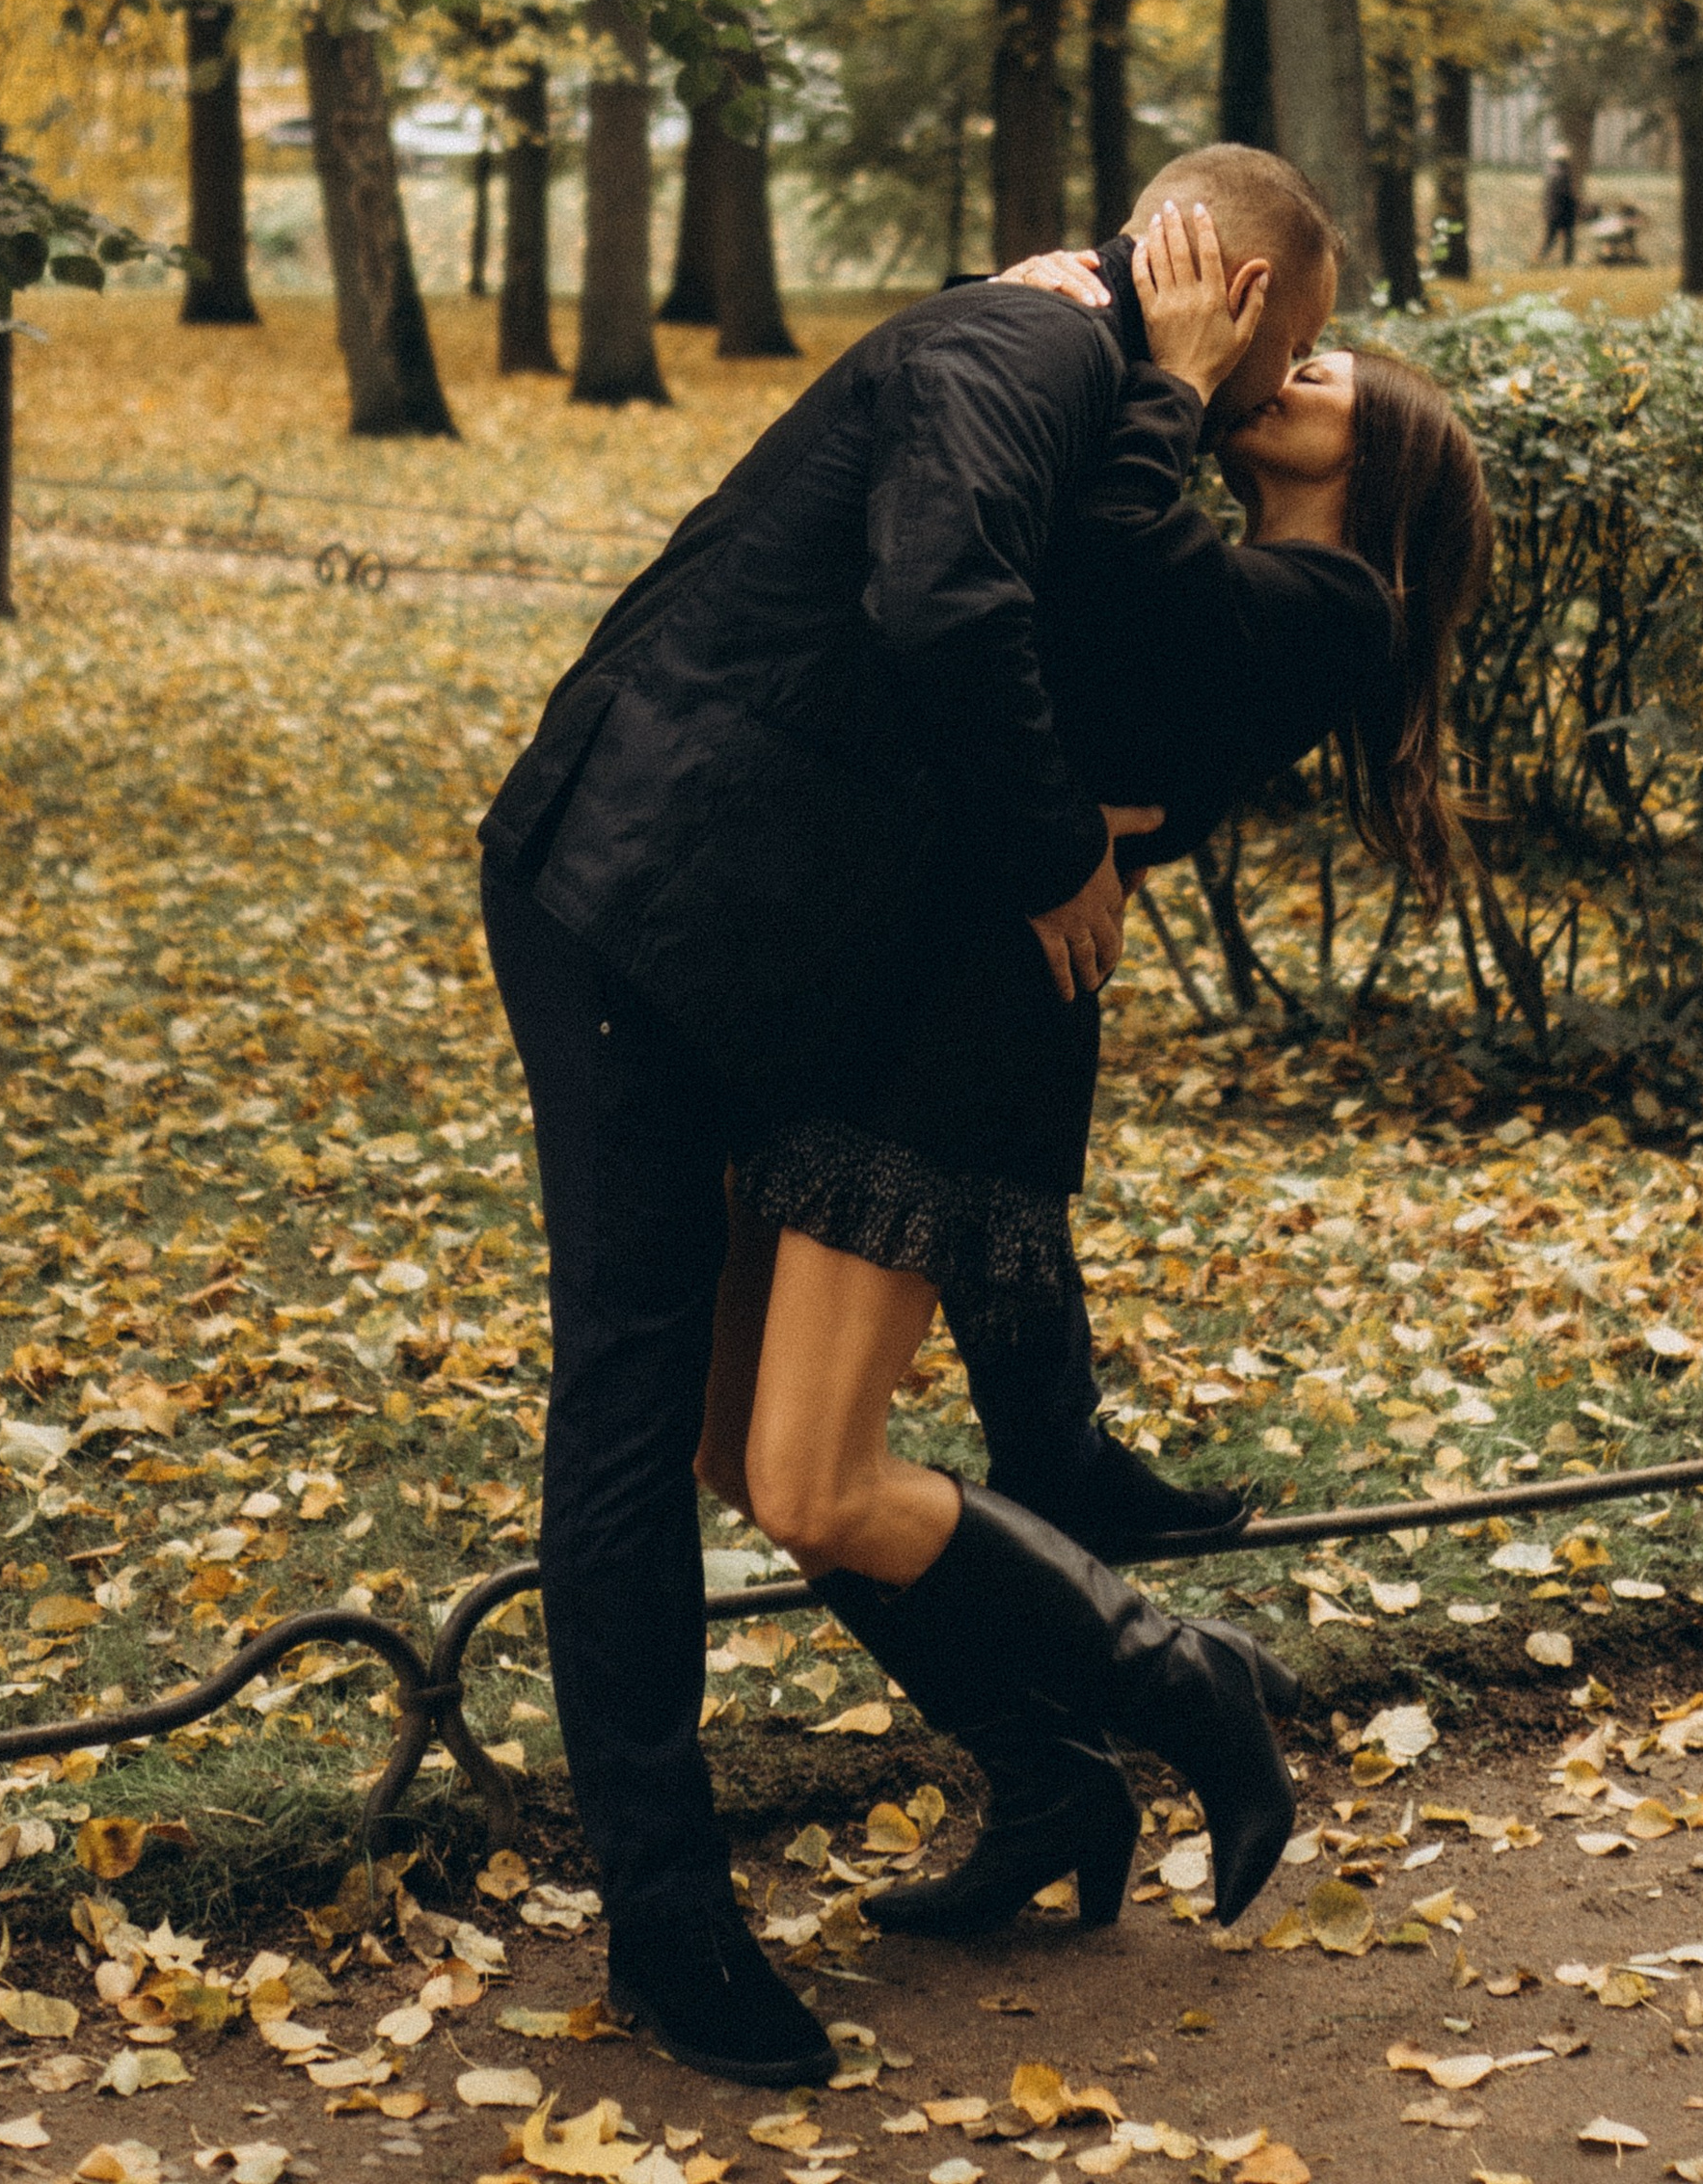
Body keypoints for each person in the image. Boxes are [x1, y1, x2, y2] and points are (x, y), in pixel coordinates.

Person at [477, 146, 1337, 2086]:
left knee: (748, 1440)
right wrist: (1055, 854)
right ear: (1247, 297)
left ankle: (1054, 1765)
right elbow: (942, 598)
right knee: (633, 1412)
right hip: (635, 898)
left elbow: (1086, 640)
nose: (1278, 398)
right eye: (1293, 353)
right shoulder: (1021, 349)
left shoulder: (1083, 383)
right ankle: (669, 1925)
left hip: (772, 944)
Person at [694, 205, 1493, 1951]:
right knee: (743, 1451)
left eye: (1333, 373)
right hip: (896, 978)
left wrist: (1173, 380)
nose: (1297, 367)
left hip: (964, 1033)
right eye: (1294, 350)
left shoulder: (1335, 604)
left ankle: (1182, 1679)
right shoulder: (1237, 566)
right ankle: (1046, 1773)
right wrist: (1036, 307)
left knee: (815, 1477)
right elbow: (1017, 557)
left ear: (1386, 465)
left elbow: (1117, 566)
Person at [1539, 145, 1580, 264]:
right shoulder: (1563, 173)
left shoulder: (1551, 171)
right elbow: (1566, 194)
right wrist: (1576, 206)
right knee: (1567, 238)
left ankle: (1539, 259)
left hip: (1552, 211)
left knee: (1551, 239)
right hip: (1562, 211)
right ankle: (1566, 263)